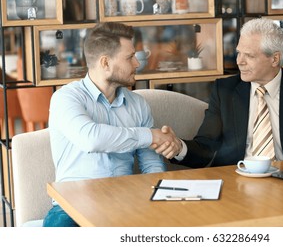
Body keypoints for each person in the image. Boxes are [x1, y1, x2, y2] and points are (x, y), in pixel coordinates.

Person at [154, 18, 283, 226]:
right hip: (237, 190)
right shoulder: (224, 91)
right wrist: (180, 147)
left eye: (249, 55)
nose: (239, 61)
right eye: (239, 52)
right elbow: (207, 146)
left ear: (274, 59)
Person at [43, 22, 180, 227]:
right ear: (105, 63)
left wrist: (158, 199)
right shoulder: (66, 98)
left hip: (125, 203)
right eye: (130, 57)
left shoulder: (138, 104)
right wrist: (151, 136)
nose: (137, 63)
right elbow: (91, 139)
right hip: (71, 208)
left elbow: (151, 164)